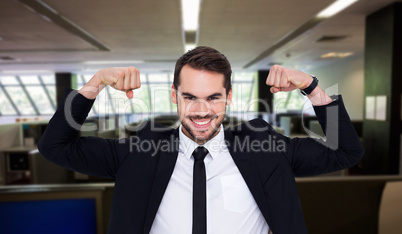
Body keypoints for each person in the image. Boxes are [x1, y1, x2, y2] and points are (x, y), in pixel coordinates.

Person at [38, 46, 364, 234]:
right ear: (173, 96)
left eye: (213, 97)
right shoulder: (139, 150)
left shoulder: (265, 147)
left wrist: (312, 88)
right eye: (190, 96)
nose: (201, 110)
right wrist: (94, 84)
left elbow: (345, 151)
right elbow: (55, 145)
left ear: (229, 97)